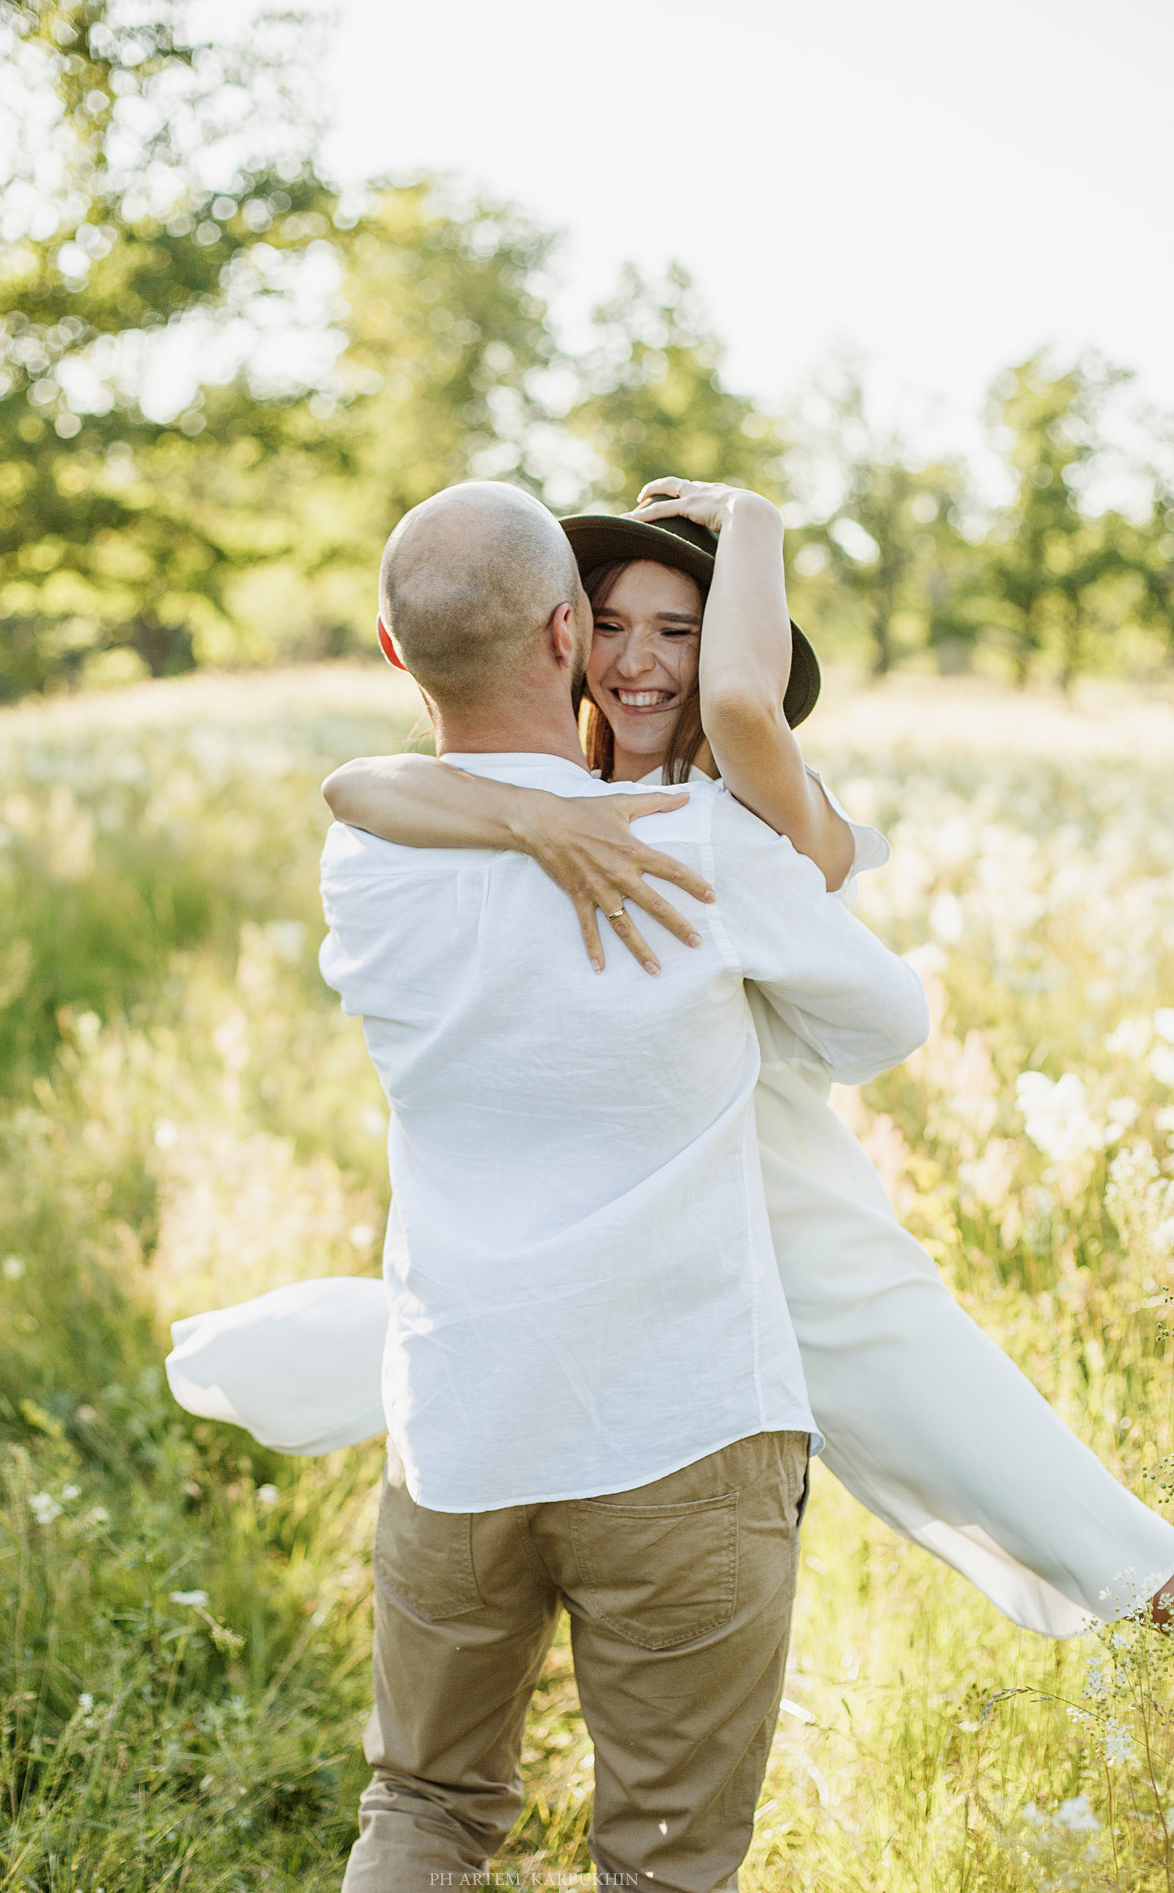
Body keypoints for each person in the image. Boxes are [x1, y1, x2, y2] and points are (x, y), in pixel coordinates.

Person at [322, 475, 1174, 1641]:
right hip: (649, 1214)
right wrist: (531, 817)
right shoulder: (549, 799)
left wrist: (757, 524)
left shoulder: (750, 796)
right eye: (610, 624)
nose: (639, 663)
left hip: (784, 1198)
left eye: (679, 630)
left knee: (1016, 1477)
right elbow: (356, 784)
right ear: (561, 634)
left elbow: (735, 709)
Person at [317, 478, 929, 1892]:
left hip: (459, 1427)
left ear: (396, 655)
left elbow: (359, 780)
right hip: (684, 1430)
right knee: (665, 1861)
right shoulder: (703, 854)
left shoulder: (365, 858)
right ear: (566, 638)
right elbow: (885, 1025)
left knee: (421, 1805)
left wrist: (529, 821)